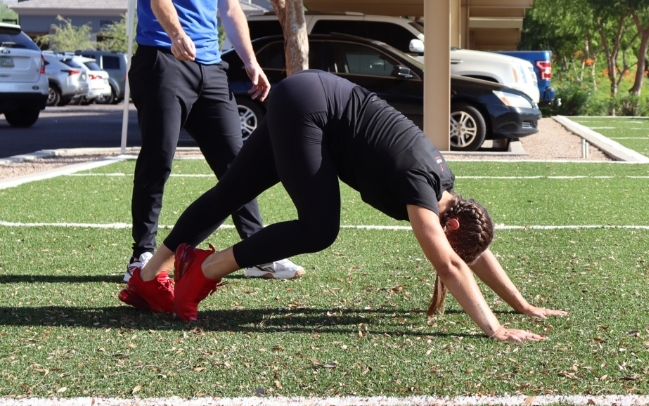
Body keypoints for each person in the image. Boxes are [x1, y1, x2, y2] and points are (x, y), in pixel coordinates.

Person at [120, 71, 567, 341]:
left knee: (230, 192)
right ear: (451, 227)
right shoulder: (420, 186)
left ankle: (146, 277)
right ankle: (202, 270)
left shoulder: (446, 188)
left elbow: (473, 251)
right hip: (310, 110)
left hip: (305, 94)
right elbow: (452, 265)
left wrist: (522, 305)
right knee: (319, 228)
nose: (456, 256)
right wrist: (496, 328)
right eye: (456, 245)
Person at [121, 0, 303, 287]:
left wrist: (250, 61)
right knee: (158, 157)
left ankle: (256, 251)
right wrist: (176, 32)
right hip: (163, 61)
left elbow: (230, 8)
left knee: (238, 163)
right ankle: (142, 252)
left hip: (211, 67)